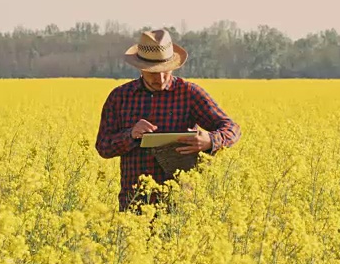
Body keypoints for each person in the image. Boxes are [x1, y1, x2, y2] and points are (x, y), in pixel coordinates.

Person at [95, 28, 241, 212]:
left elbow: (232, 128)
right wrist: (130, 135)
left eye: (165, 71)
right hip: (134, 203)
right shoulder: (120, 97)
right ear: (141, 68)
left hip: (179, 204)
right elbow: (103, 147)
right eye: (153, 73)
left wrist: (209, 141)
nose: (160, 78)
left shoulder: (189, 94)